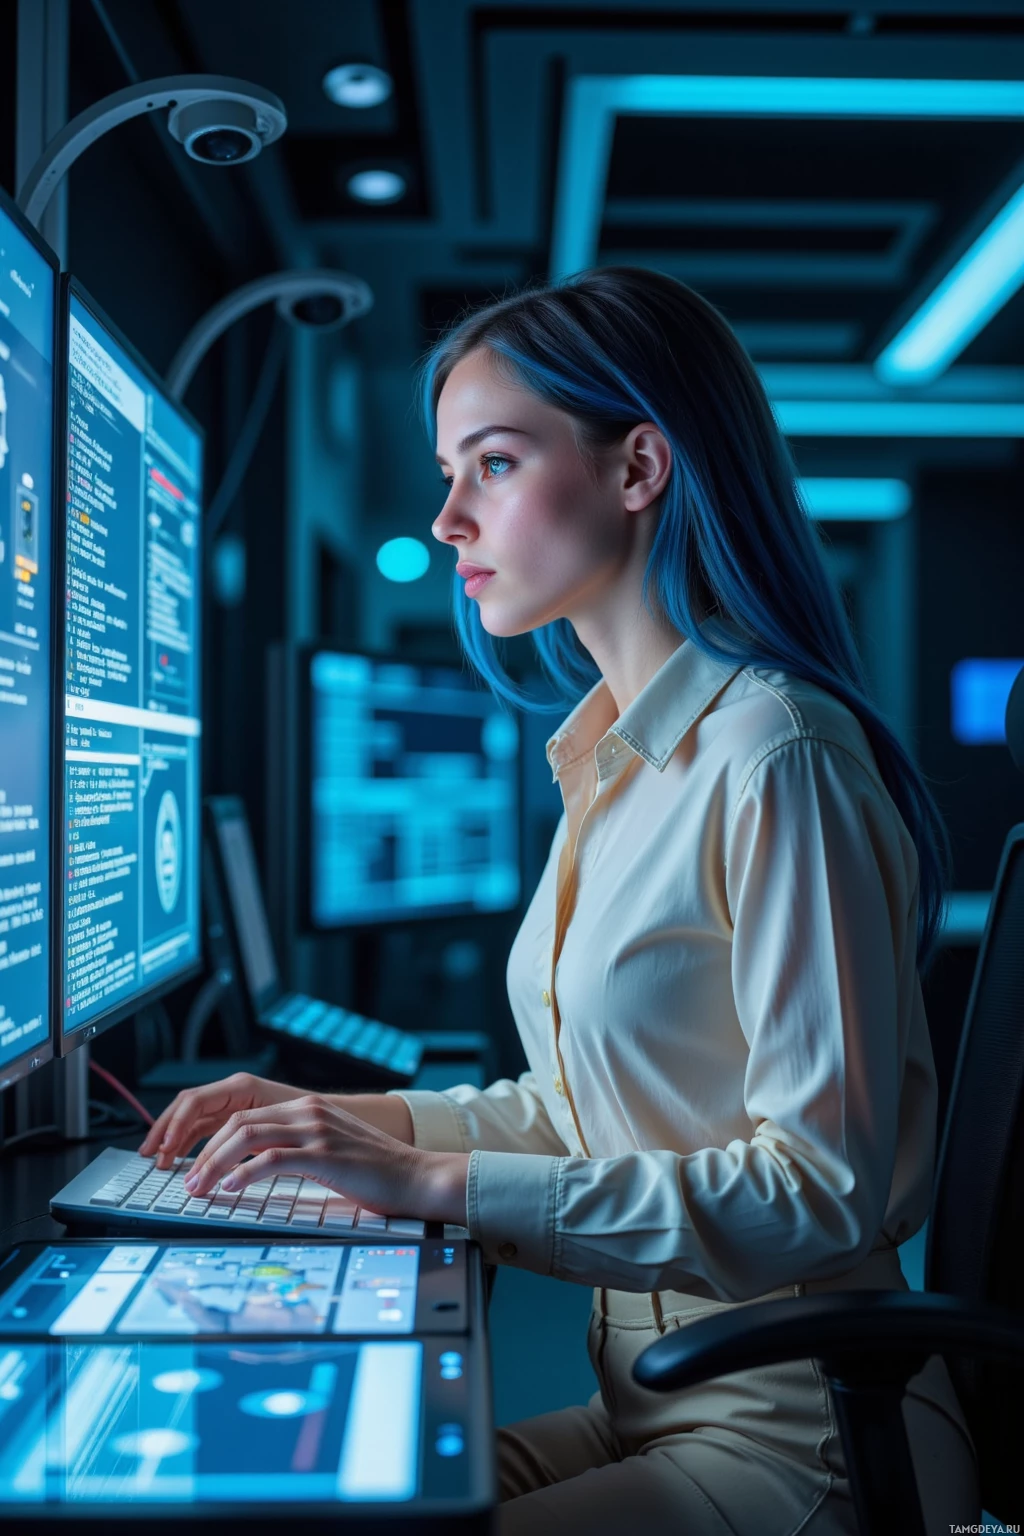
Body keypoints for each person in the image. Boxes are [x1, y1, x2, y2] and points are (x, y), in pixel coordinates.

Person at [142, 267, 980, 1534]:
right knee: (300, 1505)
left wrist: (435, 1186)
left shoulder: (776, 754)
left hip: (803, 1439)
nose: (446, 521)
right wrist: (338, 1122)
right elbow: (581, 1110)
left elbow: (818, 1193)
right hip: (654, 1399)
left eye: (491, 464)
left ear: (637, 468)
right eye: (449, 473)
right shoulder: (615, 759)